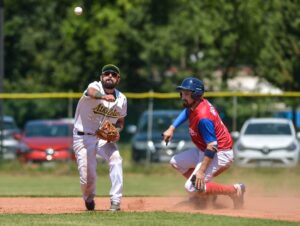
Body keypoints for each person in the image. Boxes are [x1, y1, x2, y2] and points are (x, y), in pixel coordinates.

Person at [162, 77, 245, 209]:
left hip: (220, 154)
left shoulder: (203, 117)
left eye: (187, 94)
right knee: (175, 162)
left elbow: (213, 146)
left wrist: (201, 172)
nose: (183, 96)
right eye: (182, 93)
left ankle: (235, 191)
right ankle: (204, 193)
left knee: (190, 187)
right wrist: (172, 128)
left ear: (196, 95)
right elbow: (187, 112)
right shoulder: (195, 104)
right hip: (204, 150)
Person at [73, 64, 127, 211]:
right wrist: (103, 96)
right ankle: (89, 199)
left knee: (116, 158)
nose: (110, 76)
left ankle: (116, 201)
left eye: (114, 74)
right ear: (101, 77)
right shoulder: (95, 87)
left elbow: (121, 122)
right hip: (83, 138)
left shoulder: (122, 99)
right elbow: (90, 92)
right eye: (107, 73)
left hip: (102, 137)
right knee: (87, 177)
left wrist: (117, 131)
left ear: (118, 79)